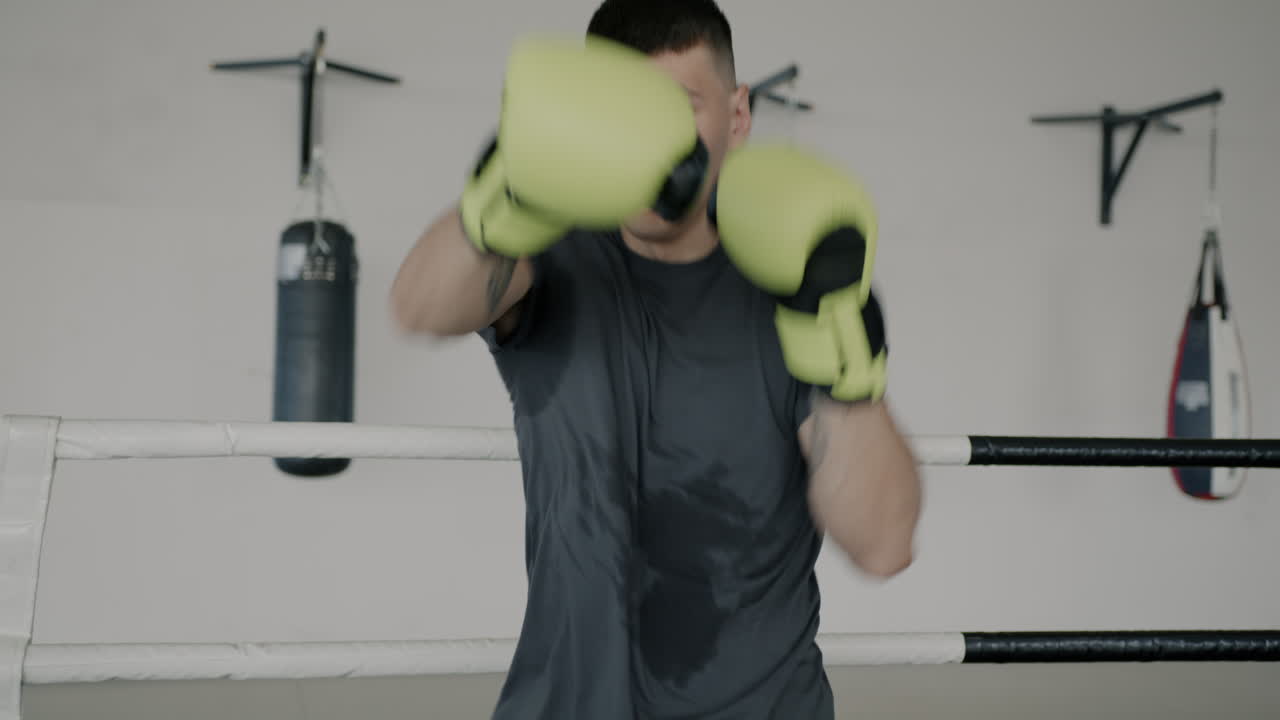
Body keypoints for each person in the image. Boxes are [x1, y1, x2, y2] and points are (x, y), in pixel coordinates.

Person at [391, 1, 922, 717]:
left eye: (679, 107)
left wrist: (842, 348)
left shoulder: (795, 277)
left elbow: (883, 544)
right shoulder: (552, 253)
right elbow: (419, 307)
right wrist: (510, 190)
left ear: (736, 116)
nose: (655, 141)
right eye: (628, 111)